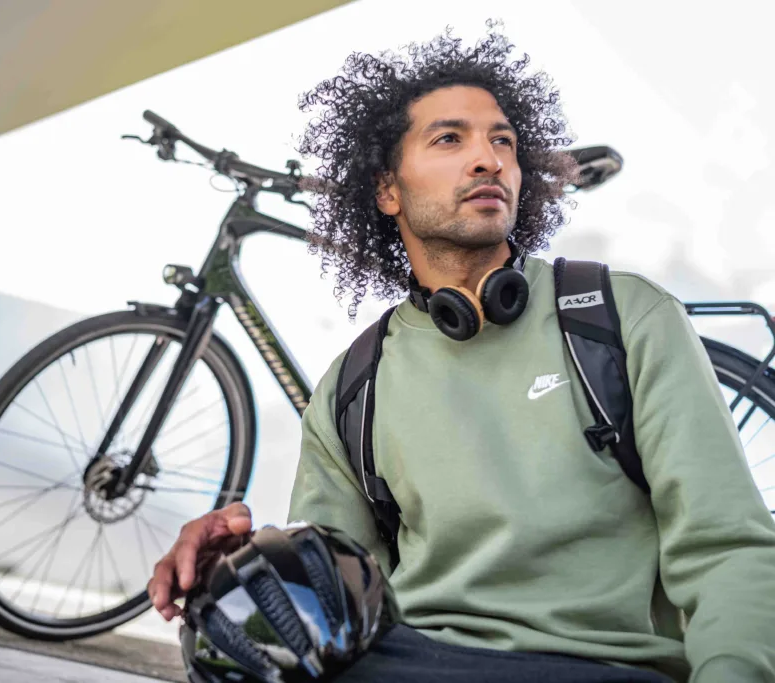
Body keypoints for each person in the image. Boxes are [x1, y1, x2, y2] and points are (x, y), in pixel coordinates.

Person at [148, 22, 775, 682]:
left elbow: (727, 547)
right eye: (451, 138)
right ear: (387, 189)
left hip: (602, 665)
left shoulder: (623, 318)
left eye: (502, 141)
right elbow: (335, 600)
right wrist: (236, 571)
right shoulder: (353, 387)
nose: (489, 159)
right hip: (415, 661)